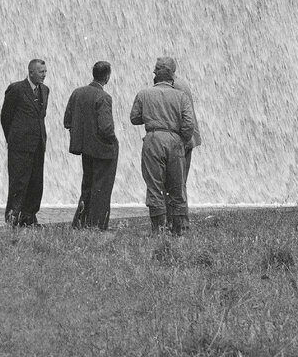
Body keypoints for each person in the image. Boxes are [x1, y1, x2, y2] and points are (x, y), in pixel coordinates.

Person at [129, 56, 198, 235]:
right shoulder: (181, 95)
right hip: (175, 140)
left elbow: (134, 118)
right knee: (177, 186)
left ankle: (158, 229)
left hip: (153, 139)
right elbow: (189, 123)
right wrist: (182, 140)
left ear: (156, 76)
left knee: (154, 185)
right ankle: (179, 229)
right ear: (172, 77)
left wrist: (151, 115)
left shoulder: (144, 93)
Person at [63, 60, 118, 230]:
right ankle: (97, 225)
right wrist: (113, 140)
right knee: (101, 188)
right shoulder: (103, 97)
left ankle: (80, 222)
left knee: (87, 185)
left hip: (85, 148)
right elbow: (106, 127)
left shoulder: (77, 93)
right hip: (103, 149)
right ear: (107, 76)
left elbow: (67, 121)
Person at [0, 58, 49, 226]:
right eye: (41, 72)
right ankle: (12, 219)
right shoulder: (16, 89)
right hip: (19, 146)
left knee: (36, 183)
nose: (44, 75)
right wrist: (12, 139)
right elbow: (5, 117)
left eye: (45, 71)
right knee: (18, 183)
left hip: (38, 145)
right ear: (31, 72)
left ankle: (29, 218)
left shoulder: (45, 90)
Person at [172, 69, 203, 184]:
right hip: (189, 137)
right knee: (181, 182)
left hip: (183, 139)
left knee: (177, 183)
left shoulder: (175, 86)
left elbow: (185, 117)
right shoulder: (181, 83)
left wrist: (182, 140)